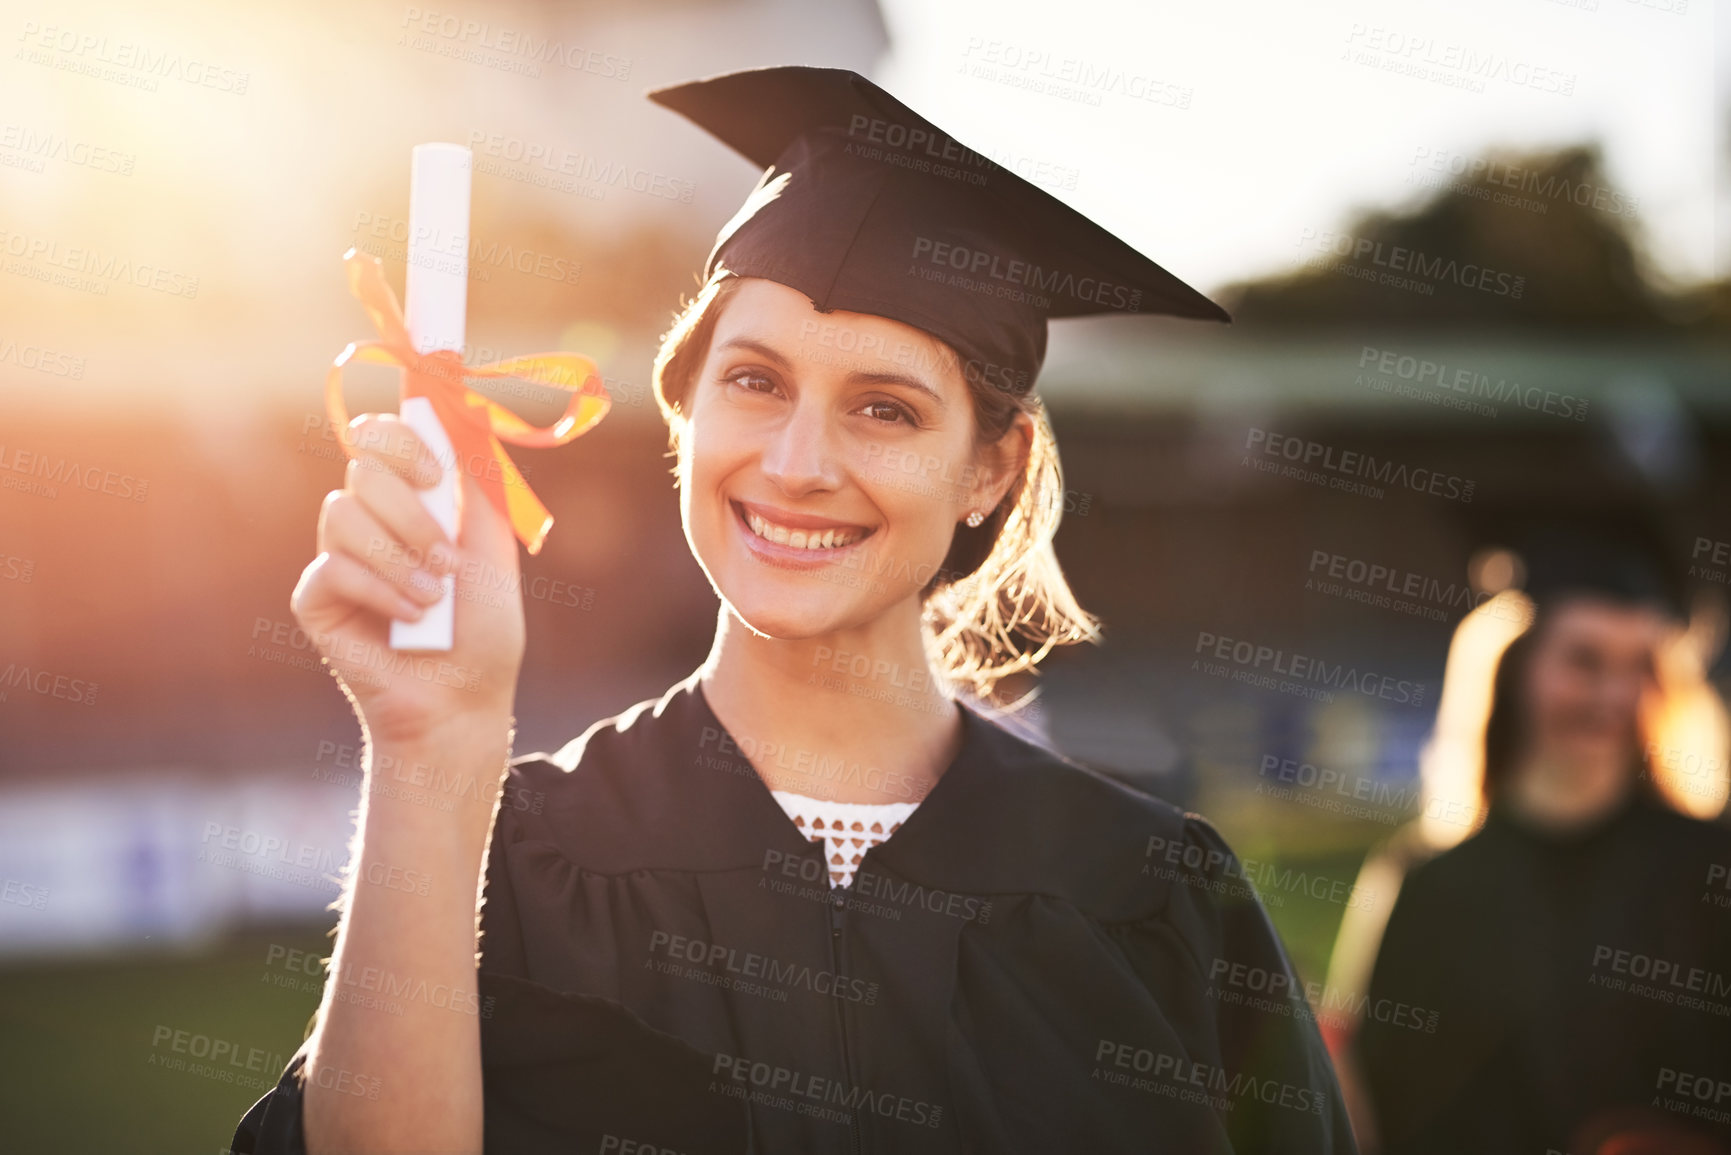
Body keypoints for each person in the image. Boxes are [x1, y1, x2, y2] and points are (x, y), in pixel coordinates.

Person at [232, 66, 1355, 1153]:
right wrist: (432, 743)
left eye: (885, 408)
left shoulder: (1154, 899)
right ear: (684, 405)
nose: (799, 462)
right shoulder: (511, 862)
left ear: (990, 470)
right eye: (756, 382)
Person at [1334, 531, 1731, 1154]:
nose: (1614, 697)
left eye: (1639, 668)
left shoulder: (1709, 871)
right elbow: (1380, 1098)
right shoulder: (1430, 883)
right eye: (1585, 662)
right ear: (1517, 670)